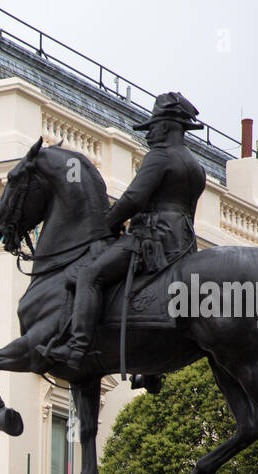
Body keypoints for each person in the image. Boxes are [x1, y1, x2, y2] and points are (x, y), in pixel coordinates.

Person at [39, 92, 208, 379]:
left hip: (152, 239)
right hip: (183, 243)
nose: (149, 134)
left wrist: (108, 222)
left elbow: (133, 197)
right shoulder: (196, 166)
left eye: (152, 127)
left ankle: (76, 347)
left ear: (166, 126)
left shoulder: (161, 156)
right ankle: (153, 369)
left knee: (90, 275)